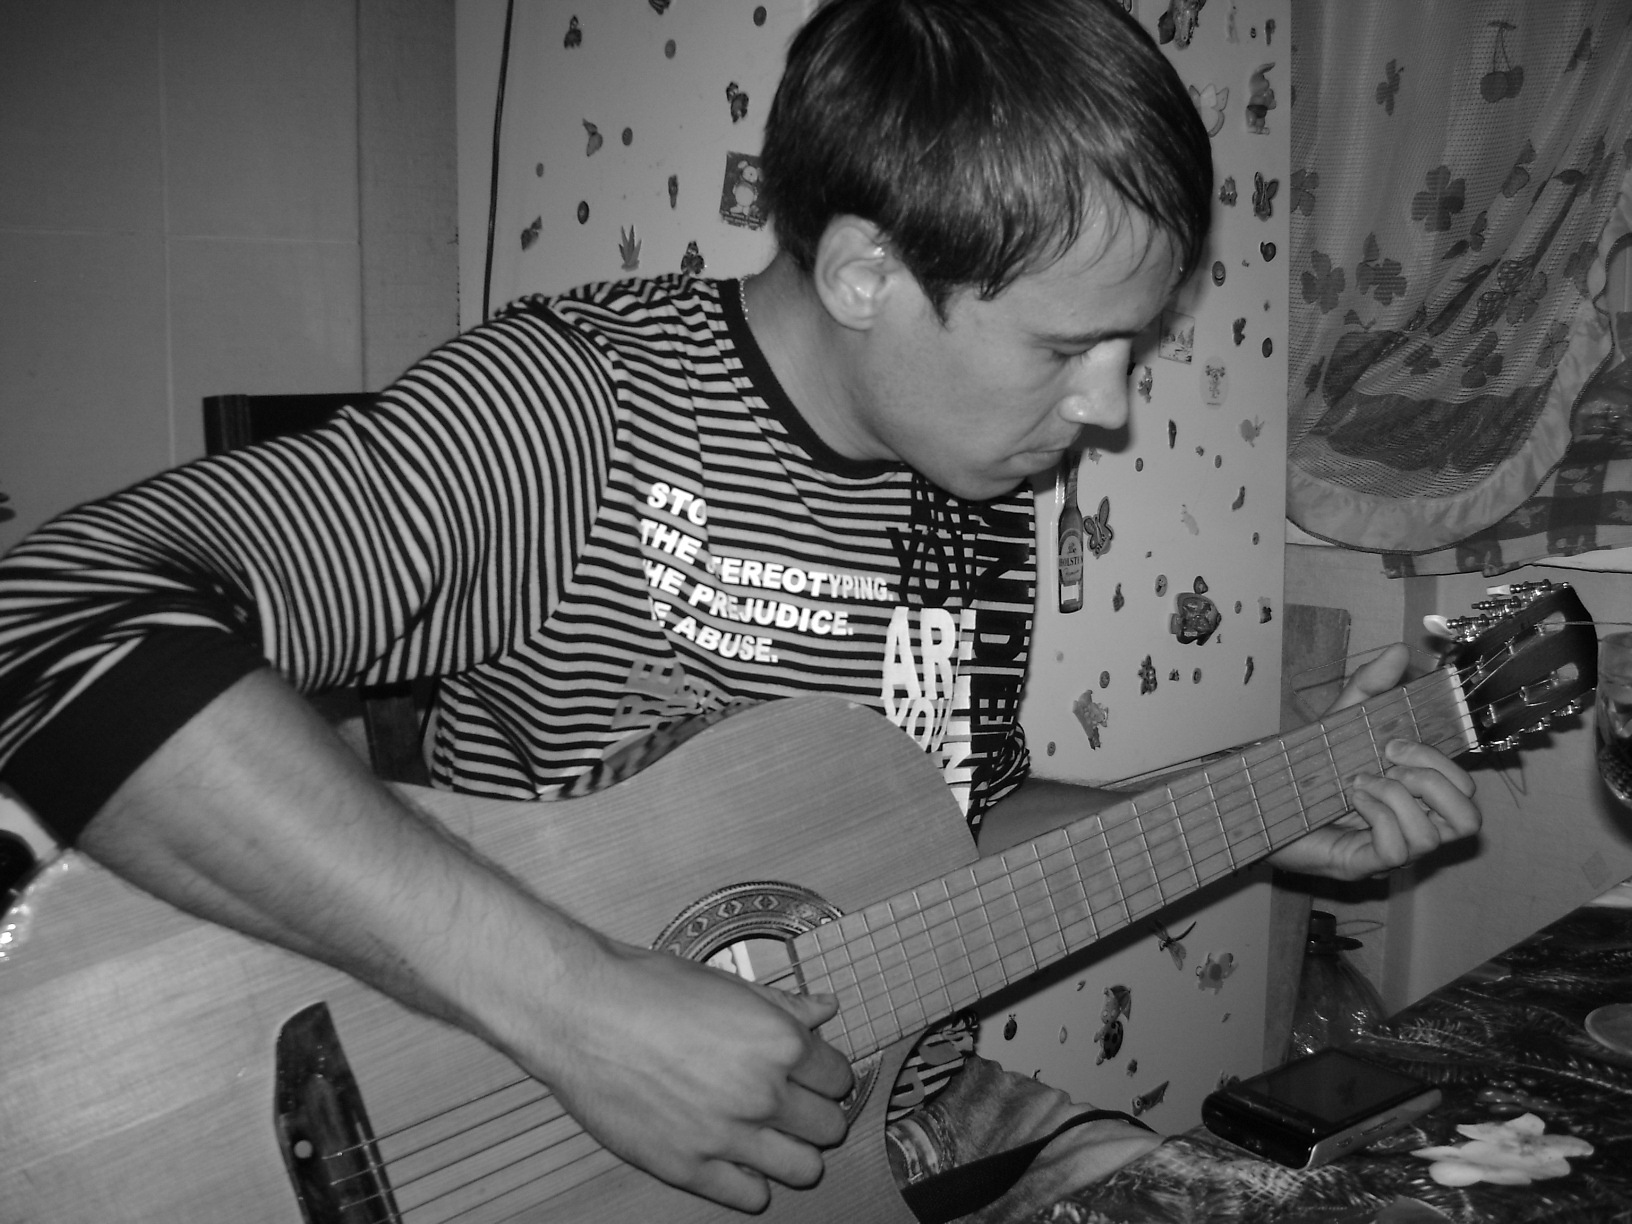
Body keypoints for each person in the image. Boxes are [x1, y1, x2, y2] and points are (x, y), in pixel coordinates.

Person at [0, 0, 1479, 1216]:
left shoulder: (970, 490)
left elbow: (942, 830)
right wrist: (579, 1008)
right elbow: (50, 618)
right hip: (540, 1146)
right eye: (1067, 348)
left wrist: (1249, 807)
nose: (1109, 408)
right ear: (865, 273)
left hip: (911, 1117)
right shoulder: (577, 410)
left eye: (1134, 348)